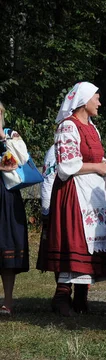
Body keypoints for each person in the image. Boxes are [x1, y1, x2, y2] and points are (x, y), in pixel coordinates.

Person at [37, 82, 106, 316]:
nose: (99, 103)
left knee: (89, 243)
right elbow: (66, 166)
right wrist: (98, 166)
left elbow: (96, 158)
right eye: (97, 98)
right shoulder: (68, 126)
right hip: (73, 193)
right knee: (73, 242)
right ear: (84, 100)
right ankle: (62, 297)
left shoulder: (92, 127)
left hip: (92, 195)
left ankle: (82, 297)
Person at [0, 102, 30, 315]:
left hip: (7, 196)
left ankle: (8, 302)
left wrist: (4, 137)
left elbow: (22, 159)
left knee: (6, 245)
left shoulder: (11, 135)